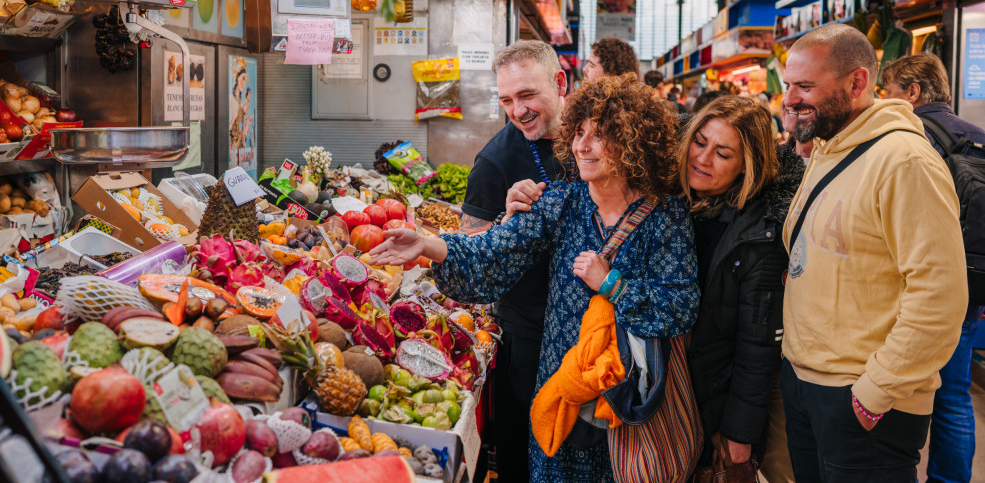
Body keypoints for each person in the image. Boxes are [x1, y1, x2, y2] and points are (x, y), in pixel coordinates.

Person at [371, 74, 700, 482]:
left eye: (599, 136)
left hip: (628, 395)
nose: (582, 145)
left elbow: (680, 306)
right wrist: (428, 245)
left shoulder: (666, 216)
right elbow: (493, 252)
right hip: (562, 384)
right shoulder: (560, 201)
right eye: (578, 132)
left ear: (632, 142)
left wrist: (613, 285)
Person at [779, 24, 967, 481]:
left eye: (805, 86)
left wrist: (875, 392)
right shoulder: (827, 149)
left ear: (857, 83)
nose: (789, 99)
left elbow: (940, 297)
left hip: (863, 399)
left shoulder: (904, 161)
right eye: (788, 86)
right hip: (808, 383)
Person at [678, 96, 804, 479]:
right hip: (673, 390)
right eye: (700, 142)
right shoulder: (667, 198)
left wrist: (738, 431)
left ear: (746, 165)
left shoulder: (760, 232)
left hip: (720, 389)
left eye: (723, 153)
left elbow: (757, 342)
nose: (702, 159)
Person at [460, 40, 567, 482]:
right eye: (506, 100)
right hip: (527, 334)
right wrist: (507, 224)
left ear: (561, 83)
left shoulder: (598, 140)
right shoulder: (495, 160)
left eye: (527, 95)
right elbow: (473, 255)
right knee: (525, 453)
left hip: (600, 330)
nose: (517, 110)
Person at [882, 52, 985, 483]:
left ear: (913, 92)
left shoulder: (910, 136)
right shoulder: (978, 134)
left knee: (904, 391)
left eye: (888, 93)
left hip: (923, 289)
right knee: (955, 395)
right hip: (973, 283)